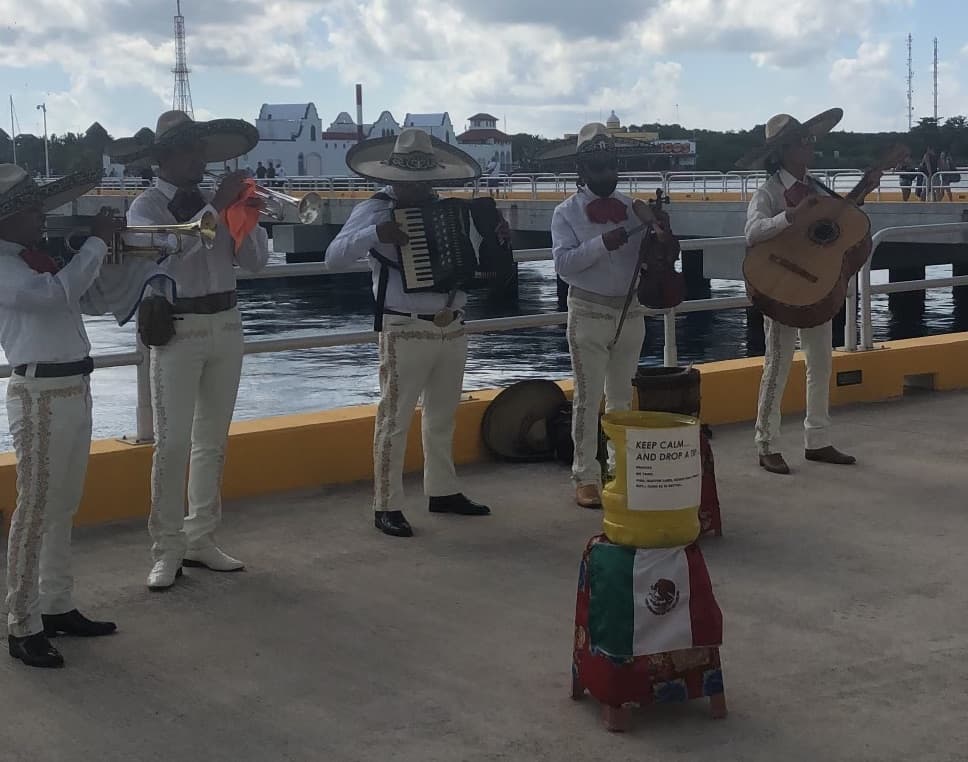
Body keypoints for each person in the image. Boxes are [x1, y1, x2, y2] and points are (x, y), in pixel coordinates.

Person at [109, 111, 270, 589]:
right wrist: (217, 208)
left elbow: (257, 264)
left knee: (212, 440)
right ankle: (167, 549)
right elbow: (166, 249)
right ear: (164, 158)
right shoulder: (145, 207)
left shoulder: (218, 203)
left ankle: (201, 538)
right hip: (177, 327)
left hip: (226, 322)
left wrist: (249, 216)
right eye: (190, 150)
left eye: (202, 150)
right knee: (172, 443)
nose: (200, 159)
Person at [325, 128, 505, 537]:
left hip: (452, 325)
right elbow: (334, 257)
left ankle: (442, 490)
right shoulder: (376, 209)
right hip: (403, 326)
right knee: (394, 420)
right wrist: (377, 233)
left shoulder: (450, 211)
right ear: (394, 177)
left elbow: (473, 262)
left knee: (442, 417)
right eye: (411, 179)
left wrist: (495, 242)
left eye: (424, 179)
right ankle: (385, 504)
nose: (419, 187)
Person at [0, 165, 120, 667]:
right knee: (35, 510)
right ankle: (21, 622)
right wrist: (94, 244)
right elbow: (52, 296)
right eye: (30, 207)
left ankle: (56, 603)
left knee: (63, 504)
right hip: (40, 393)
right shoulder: (6, 267)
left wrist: (110, 257)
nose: (40, 214)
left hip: (73, 385)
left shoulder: (38, 258)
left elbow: (90, 300)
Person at [739, 108, 879, 474]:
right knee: (777, 366)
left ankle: (817, 439)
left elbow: (834, 223)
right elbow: (752, 234)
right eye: (803, 141)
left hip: (816, 286)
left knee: (821, 363)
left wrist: (862, 192)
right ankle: (766, 443)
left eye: (811, 139)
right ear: (784, 151)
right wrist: (790, 216)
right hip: (781, 286)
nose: (810, 146)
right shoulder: (768, 192)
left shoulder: (818, 187)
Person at [551, 123, 674, 508]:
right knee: (588, 398)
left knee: (622, 397)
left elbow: (660, 256)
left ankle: (618, 471)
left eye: (610, 166)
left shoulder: (633, 207)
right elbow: (563, 266)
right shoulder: (565, 213)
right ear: (583, 171)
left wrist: (660, 230)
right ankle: (584, 475)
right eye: (597, 167)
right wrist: (601, 243)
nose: (606, 174)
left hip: (629, 308)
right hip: (587, 309)